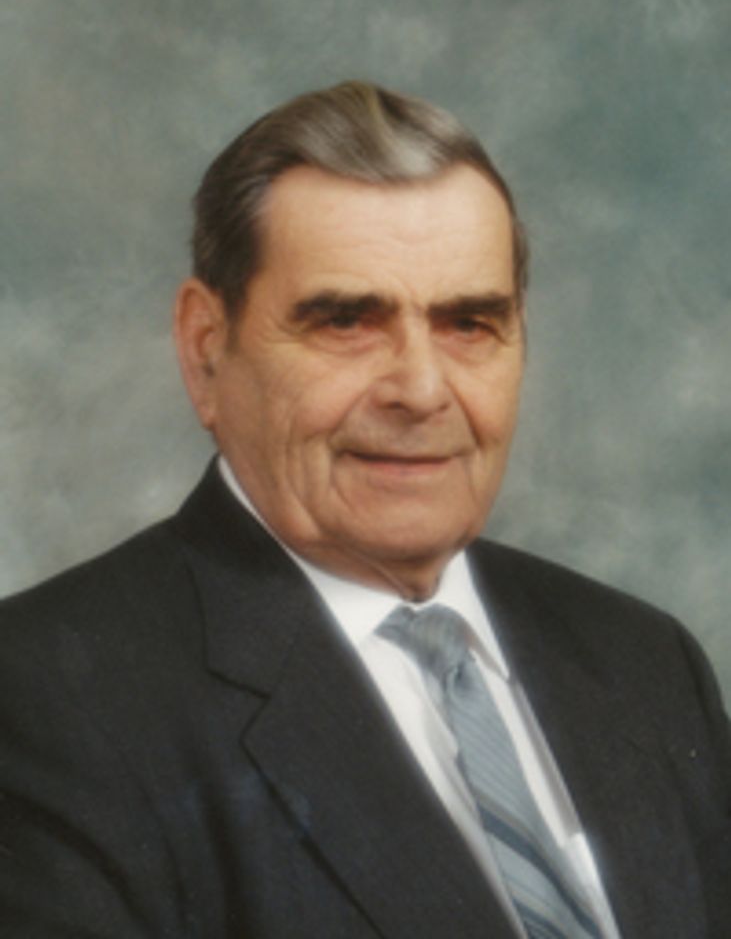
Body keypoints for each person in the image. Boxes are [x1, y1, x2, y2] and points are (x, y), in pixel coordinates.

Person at [1, 81, 729, 939]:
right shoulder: (47, 699)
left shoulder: (643, 663)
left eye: (468, 323)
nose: (420, 390)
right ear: (205, 352)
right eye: (345, 321)